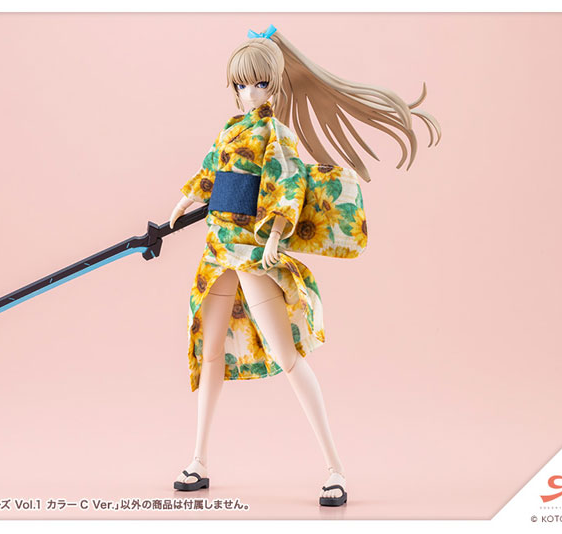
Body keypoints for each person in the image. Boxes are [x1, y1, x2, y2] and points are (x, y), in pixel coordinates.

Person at [168, 24, 440, 507]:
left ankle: (335, 469)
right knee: (210, 353)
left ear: (274, 85)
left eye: (258, 84)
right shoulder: (231, 129)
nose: (249, 93)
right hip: (217, 250)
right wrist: (186, 199)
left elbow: (287, 185)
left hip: (252, 252)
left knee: (288, 357)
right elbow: (211, 171)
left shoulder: (276, 133)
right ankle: (198, 460)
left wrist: (275, 235)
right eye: (241, 85)